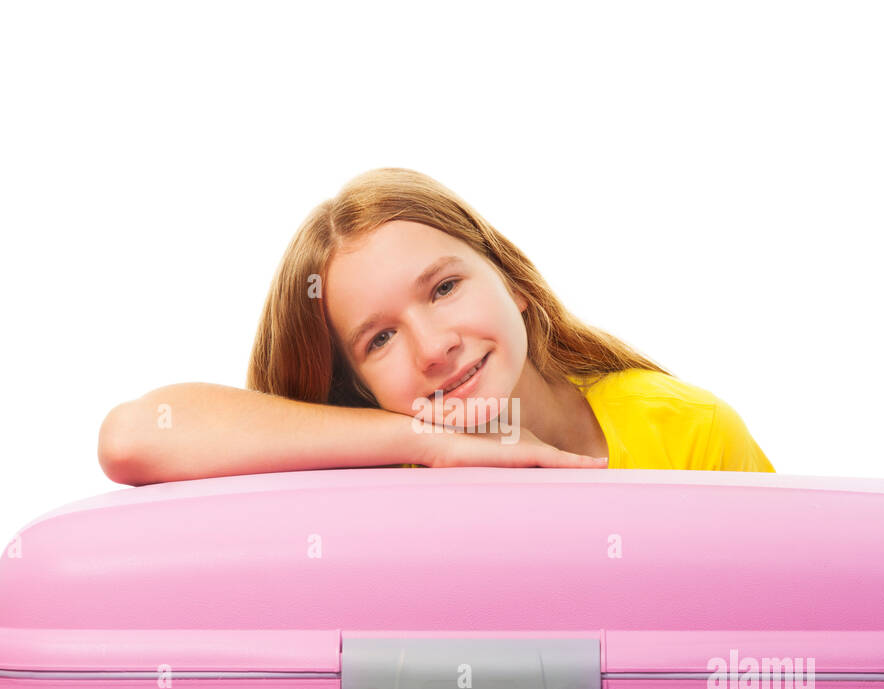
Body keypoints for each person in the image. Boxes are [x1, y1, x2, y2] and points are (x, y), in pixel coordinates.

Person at [98, 168, 774, 485]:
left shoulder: (690, 434)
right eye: (380, 339)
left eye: (445, 288)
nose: (435, 347)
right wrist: (432, 442)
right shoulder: (376, 469)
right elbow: (133, 438)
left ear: (513, 286)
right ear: (356, 387)